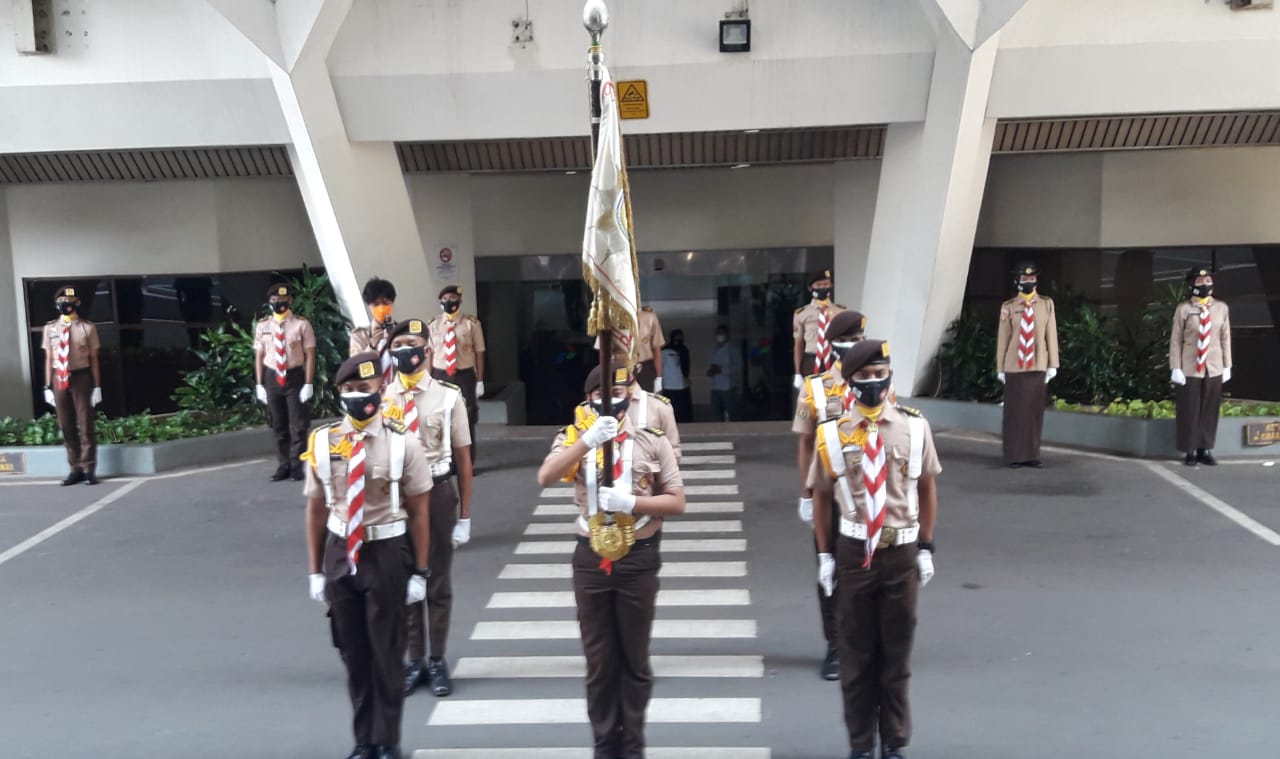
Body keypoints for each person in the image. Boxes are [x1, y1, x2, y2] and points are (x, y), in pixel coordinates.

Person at [536, 357, 686, 759]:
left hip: (638, 554)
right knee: (600, 661)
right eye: (601, 394)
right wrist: (587, 441)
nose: (610, 401)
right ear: (588, 399)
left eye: (617, 394)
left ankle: (633, 744)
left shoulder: (651, 439)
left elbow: (677, 500)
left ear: (629, 396)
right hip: (591, 557)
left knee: (635, 660)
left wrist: (633, 500)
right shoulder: (573, 435)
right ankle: (605, 744)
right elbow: (546, 476)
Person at [810, 339, 941, 759]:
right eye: (863, 377)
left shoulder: (914, 426)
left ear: (890, 376)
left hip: (900, 553)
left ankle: (894, 743)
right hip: (854, 553)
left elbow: (926, 487)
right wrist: (825, 555)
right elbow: (822, 496)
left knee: (896, 655)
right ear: (849, 383)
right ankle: (861, 745)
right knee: (857, 656)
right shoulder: (831, 434)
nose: (873, 383)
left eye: (879, 374)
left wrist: (926, 546)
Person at [302, 352, 433, 759]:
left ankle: (388, 738)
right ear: (339, 394)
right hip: (342, 553)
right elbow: (316, 508)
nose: (359, 397)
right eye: (349, 390)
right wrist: (315, 571)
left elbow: (420, 509)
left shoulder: (402, 441)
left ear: (381, 387)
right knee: (354, 653)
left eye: (365, 388)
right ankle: (364, 740)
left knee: (387, 651)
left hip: (387, 551)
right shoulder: (323, 442)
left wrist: (421, 571)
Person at [379, 318, 474, 698]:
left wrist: (465, 515)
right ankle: (414, 659)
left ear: (427, 351)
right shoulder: (382, 397)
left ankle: (437, 659)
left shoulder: (448, 397)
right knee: (404, 579)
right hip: (397, 496)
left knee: (436, 581)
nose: (405, 349)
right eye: (398, 343)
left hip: (436, 492)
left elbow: (464, 459)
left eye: (411, 343)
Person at [791, 308, 866, 680]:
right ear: (833, 344)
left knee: (872, 568)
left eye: (858, 339)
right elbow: (806, 444)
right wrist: (805, 491)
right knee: (830, 567)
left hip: (870, 490)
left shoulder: (877, 380)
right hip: (830, 490)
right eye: (848, 341)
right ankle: (836, 646)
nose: (853, 347)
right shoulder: (815, 387)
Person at [994, 262, 1059, 468]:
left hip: (1037, 364)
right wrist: (1001, 368)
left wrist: (1053, 364)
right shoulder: (1009, 307)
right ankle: (1014, 455)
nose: (1029, 282)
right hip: (1015, 366)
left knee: (1033, 413)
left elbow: (1051, 335)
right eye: (1025, 279)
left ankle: (1031, 454)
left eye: (1032, 279)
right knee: (1015, 413)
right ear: (1017, 281)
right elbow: (1003, 339)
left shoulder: (1046, 304)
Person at [1170, 266, 1232, 466]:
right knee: (1189, 408)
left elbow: (1225, 338)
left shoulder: (1221, 308)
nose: (1204, 285)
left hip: (1213, 366)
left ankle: (1204, 449)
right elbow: (1176, 340)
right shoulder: (1184, 309)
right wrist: (1175, 367)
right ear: (1191, 285)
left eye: (1207, 282)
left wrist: (1227, 366)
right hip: (1190, 366)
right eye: (1199, 282)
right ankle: (1189, 450)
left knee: (1209, 409)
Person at [41, 285, 103, 486]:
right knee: (66, 425)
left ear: (77, 303)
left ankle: (89, 469)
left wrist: (97, 386)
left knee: (85, 424)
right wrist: (46, 387)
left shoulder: (87, 327)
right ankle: (75, 468)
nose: (65, 305)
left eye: (69, 302)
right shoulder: (50, 328)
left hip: (81, 377)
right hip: (59, 377)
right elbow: (49, 358)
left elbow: (94, 358)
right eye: (61, 302)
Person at [254, 283, 317, 481]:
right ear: (269, 302)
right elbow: (259, 355)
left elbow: (310, 354)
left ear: (289, 300)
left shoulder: (301, 324)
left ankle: (297, 464)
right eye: (274, 300)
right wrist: (259, 384)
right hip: (272, 377)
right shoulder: (263, 325)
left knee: (298, 424)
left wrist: (308, 383)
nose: (278, 303)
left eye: (282, 299)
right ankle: (284, 465)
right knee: (278, 424)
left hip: (294, 375)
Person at [428, 286, 485, 465]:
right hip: (440, 375)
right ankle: (446, 462)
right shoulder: (433, 324)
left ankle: (466, 463)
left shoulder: (471, 323)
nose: (448, 301)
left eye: (452, 297)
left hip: (464, 375)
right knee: (441, 420)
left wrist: (480, 380)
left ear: (459, 300)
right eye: (445, 298)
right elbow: (429, 354)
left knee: (466, 420)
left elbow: (479, 352)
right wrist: (427, 379)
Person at [793, 270, 846, 388]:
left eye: (826, 284)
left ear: (831, 285)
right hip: (811, 361)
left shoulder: (840, 311)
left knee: (834, 398)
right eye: (819, 285)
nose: (823, 288)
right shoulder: (801, 313)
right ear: (810, 288)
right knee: (814, 399)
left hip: (834, 360)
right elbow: (798, 343)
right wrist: (797, 372)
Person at [349, 276, 398, 386]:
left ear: (392, 303)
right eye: (376, 304)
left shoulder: (402, 331)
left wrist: (394, 342)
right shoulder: (359, 336)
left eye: (386, 303)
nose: (381, 307)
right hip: (373, 391)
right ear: (369, 306)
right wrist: (372, 346)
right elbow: (355, 369)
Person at [660, 329, 692, 423]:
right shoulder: (665, 351)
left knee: (683, 409)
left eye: (680, 337)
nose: (679, 339)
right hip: (669, 385)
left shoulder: (684, 350)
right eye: (677, 336)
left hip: (683, 384)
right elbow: (660, 367)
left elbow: (686, 366)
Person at [634, 305, 665, 393]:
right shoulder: (611, 317)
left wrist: (659, 378)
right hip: (622, 368)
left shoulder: (649, 317)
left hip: (646, 368)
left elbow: (656, 349)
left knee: (648, 400)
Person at [707, 325, 734, 422]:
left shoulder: (732, 349)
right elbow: (712, 365)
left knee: (731, 413)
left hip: (727, 387)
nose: (719, 336)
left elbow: (738, 367)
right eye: (718, 333)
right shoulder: (714, 349)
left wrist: (721, 370)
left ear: (727, 335)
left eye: (722, 333)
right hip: (715, 386)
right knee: (717, 414)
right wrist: (711, 371)